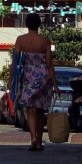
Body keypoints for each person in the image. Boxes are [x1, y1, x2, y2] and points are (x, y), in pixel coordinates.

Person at [7, 12, 59, 150]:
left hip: (28, 75)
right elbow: (49, 64)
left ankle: (33, 138)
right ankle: (40, 141)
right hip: (43, 77)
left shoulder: (21, 40)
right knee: (41, 110)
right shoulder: (45, 41)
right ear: (39, 24)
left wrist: (11, 79)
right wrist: (55, 85)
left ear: (26, 24)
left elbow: (15, 62)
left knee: (30, 109)